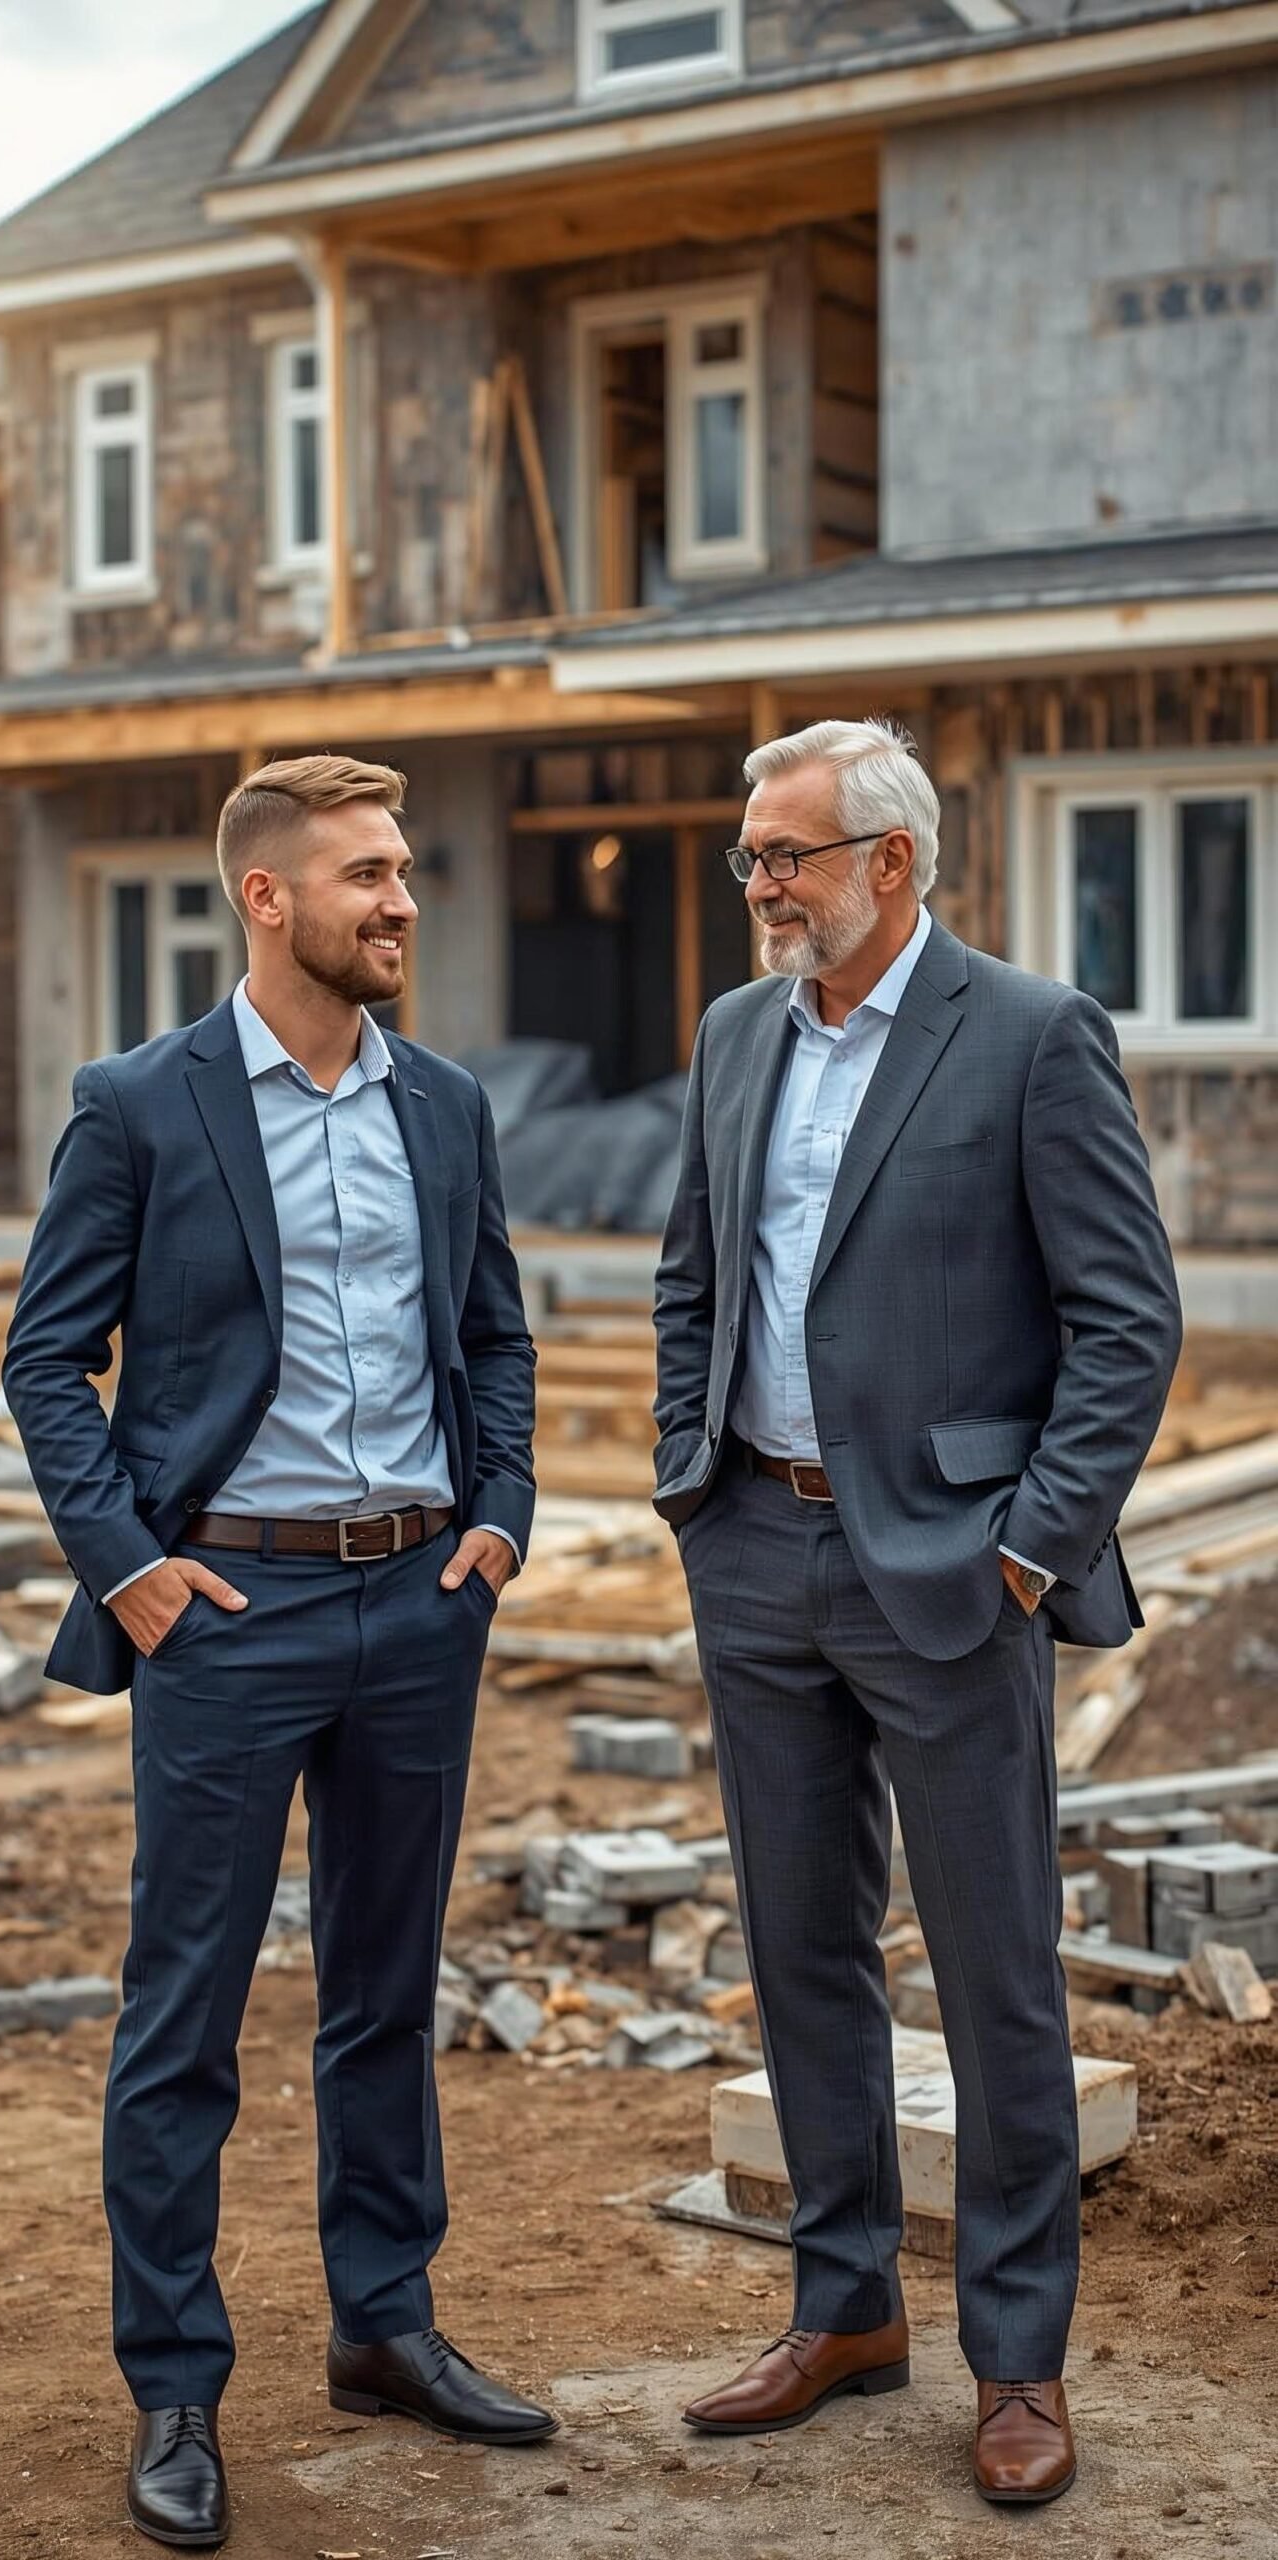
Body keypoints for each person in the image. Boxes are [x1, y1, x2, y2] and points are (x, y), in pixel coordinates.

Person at [4, 755, 555, 2552]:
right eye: (368, 876)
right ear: (267, 897)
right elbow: (44, 1360)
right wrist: (136, 1573)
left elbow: (495, 1332)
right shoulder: (139, 1105)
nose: (402, 901)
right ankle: (176, 2385)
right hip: (226, 1617)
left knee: (386, 1995)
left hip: (417, 1605)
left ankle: (383, 2327)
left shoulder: (447, 1106)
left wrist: (498, 1516)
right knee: (185, 2018)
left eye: (405, 872)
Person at [653, 718, 1181, 2507]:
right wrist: (688, 1477)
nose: (758, 884)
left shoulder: (1028, 1036)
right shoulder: (735, 1035)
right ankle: (843, 2299)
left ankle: (1016, 2360)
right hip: (758, 1557)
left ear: (889, 861)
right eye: (748, 856)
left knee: (991, 1973)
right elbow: (689, 1278)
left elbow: (1125, 1324)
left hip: (953, 1573)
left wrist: (1026, 1550)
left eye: (783, 855)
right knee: (798, 1950)